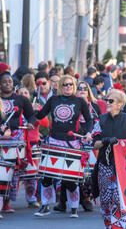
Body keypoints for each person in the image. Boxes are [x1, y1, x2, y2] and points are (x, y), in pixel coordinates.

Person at [33, 76, 93, 218]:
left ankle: (73, 207)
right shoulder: (54, 100)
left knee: (70, 179)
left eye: (71, 85)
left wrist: (89, 132)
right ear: (60, 86)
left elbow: (89, 119)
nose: (68, 87)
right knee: (47, 176)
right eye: (65, 85)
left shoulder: (80, 101)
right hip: (53, 141)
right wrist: (35, 109)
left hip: (71, 143)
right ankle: (45, 206)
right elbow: (41, 114)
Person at [92, 89, 126, 229]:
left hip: (124, 166)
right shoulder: (101, 119)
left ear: (120, 104)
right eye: (106, 100)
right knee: (105, 201)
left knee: (120, 200)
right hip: (105, 163)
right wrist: (106, 140)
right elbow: (95, 143)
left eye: (111, 101)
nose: (107, 103)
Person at [0, 72, 36, 214]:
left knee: (12, 173)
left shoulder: (21, 100)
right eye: (4, 82)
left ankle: (7, 202)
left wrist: (31, 124)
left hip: (15, 140)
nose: (8, 84)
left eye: (10, 81)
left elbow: (31, 115)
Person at [17, 86, 49, 209]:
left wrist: (38, 112)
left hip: (32, 144)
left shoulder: (34, 106)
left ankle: (31, 198)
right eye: (20, 92)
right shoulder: (13, 108)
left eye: (25, 92)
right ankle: (5, 202)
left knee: (31, 176)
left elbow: (45, 124)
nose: (23, 94)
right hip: (16, 144)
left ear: (30, 95)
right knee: (13, 176)